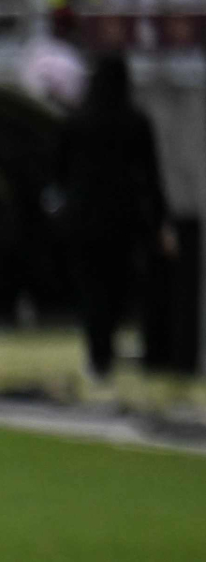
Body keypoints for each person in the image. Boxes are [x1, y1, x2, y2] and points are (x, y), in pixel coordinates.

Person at [53, 52, 176, 395]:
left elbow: (58, 171)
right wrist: (160, 222)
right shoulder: (136, 121)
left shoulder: (77, 120)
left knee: (90, 288)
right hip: (122, 218)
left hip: (82, 219)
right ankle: (107, 347)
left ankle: (98, 354)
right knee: (115, 287)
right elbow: (152, 178)